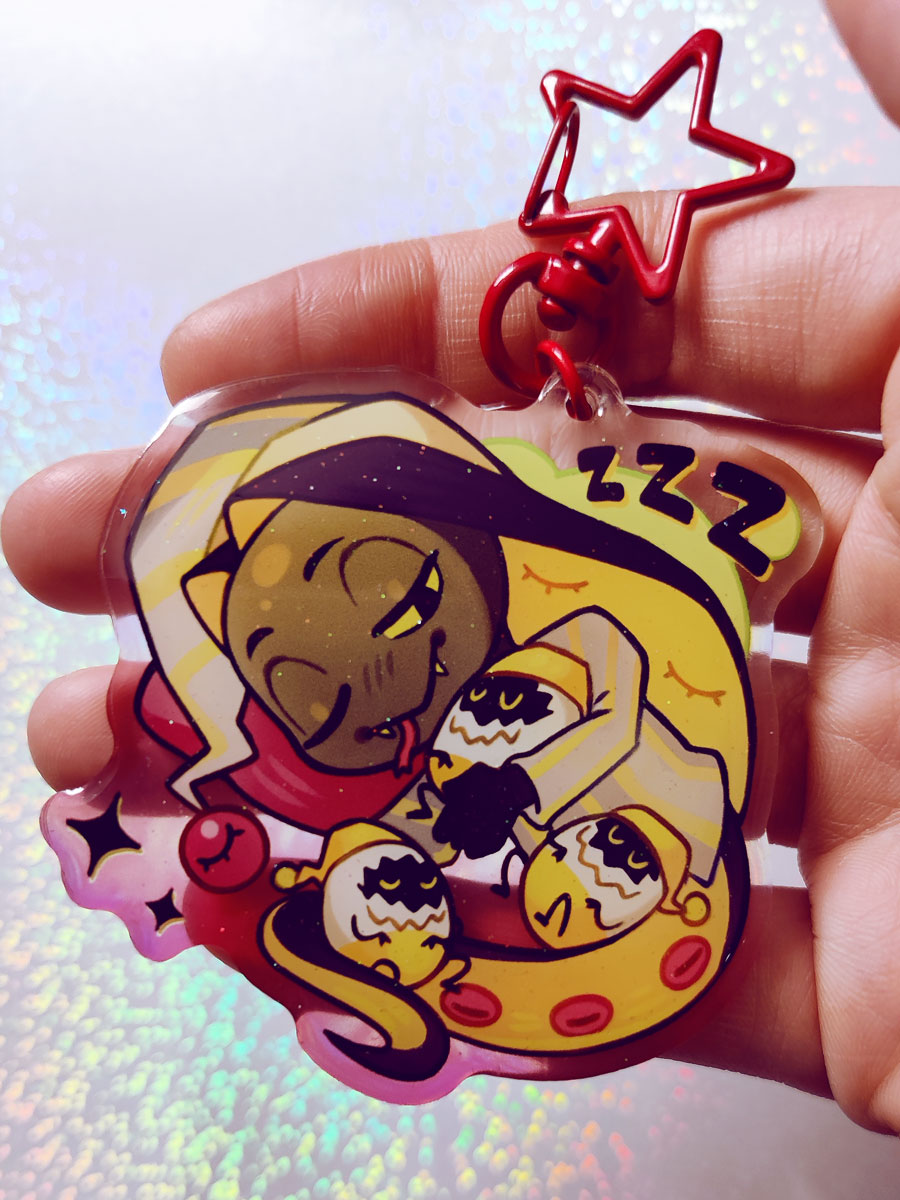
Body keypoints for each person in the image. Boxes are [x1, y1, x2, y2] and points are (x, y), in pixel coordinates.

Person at [3, 0, 900, 1135]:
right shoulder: (408, 754)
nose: (371, 653)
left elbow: (605, 677)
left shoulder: (581, 681)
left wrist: (533, 781)